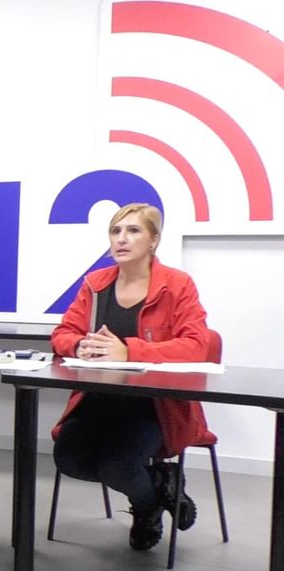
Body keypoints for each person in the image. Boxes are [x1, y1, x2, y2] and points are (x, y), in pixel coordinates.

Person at [50, 203, 207, 551]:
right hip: (99, 398)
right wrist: (80, 345)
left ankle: (147, 509)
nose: (122, 239)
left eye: (133, 231)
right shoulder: (95, 284)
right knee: (68, 459)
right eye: (116, 231)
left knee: (116, 466)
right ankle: (160, 482)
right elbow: (62, 334)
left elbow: (197, 346)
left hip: (154, 406)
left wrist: (130, 351)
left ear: (153, 240)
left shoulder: (177, 285)